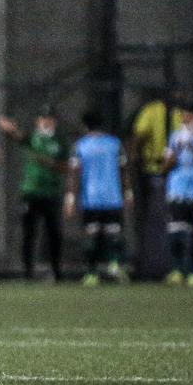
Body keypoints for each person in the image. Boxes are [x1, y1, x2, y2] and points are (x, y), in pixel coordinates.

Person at [0, 111, 65, 280]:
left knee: (54, 233)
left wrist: (50, 162)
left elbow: (66, 166)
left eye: (49, 118)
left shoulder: (59, 141)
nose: (45, 122)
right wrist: (10, 129)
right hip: (31, 192)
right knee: (29, 233)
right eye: (42, 118)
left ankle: (56, 271)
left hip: (52, 192)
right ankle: (28, 272)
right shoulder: (34, 138)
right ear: (38, 121)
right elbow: (20, 137)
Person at [66, 113, 128, 284]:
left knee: (91, 235)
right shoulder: (115, 144)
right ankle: (114, 264)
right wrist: (128, 192)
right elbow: (123, 169)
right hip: (112, 196)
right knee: (113, 233)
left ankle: (91, 273)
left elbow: (74, 173)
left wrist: (70, 198)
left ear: (84, 126)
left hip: (90, 197)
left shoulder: (80, 146)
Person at [162, 107, 193, 286]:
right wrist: (176, 151)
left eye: (188, 116)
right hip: (177, 191)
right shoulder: (175, 137)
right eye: (183, 117)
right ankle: (176, 270)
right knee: (176, 231)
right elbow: (165, 166)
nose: (185, 120)